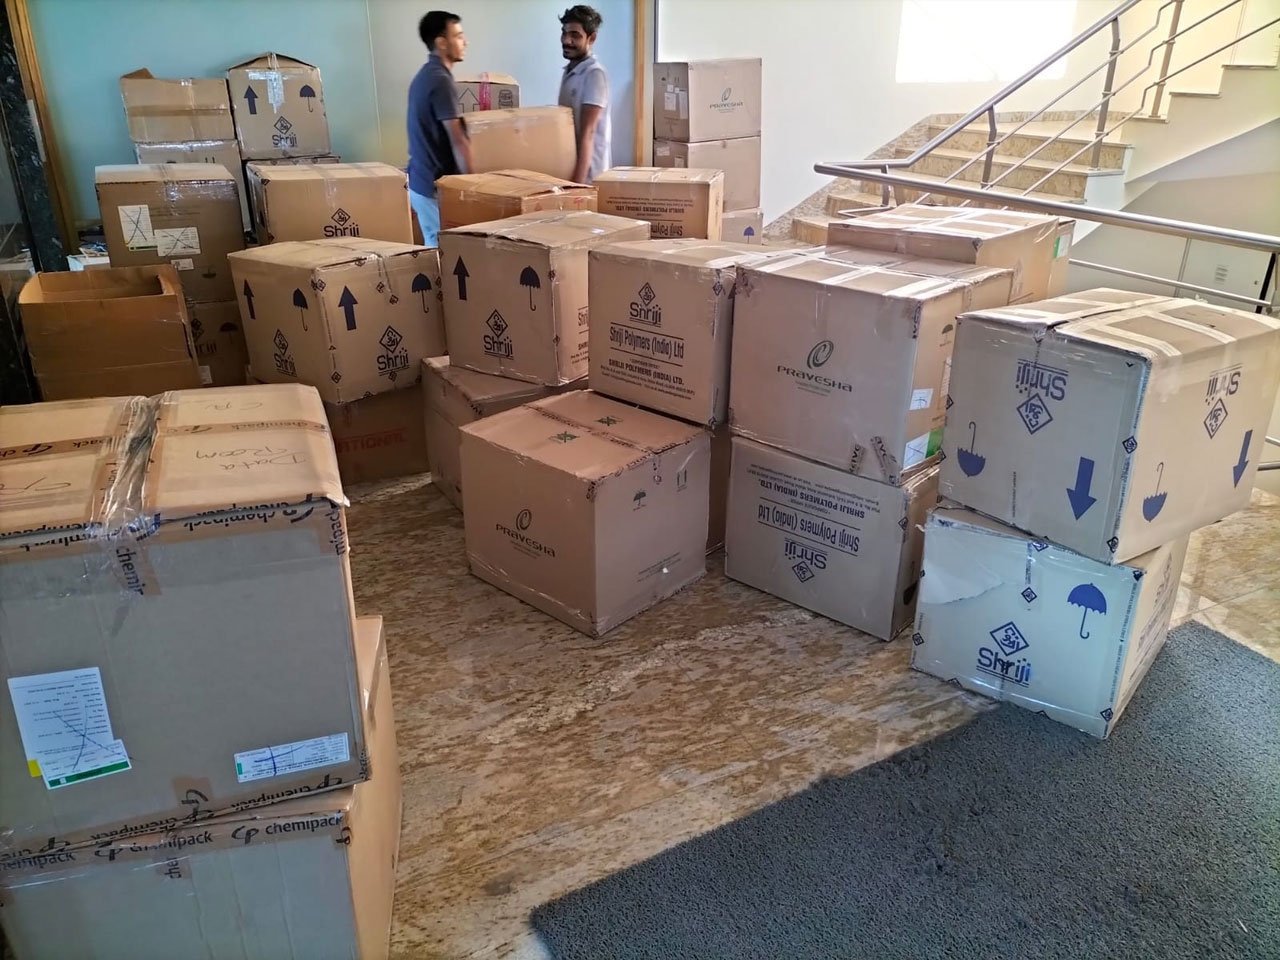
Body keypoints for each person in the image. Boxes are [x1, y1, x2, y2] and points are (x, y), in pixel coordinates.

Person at [407, 11, 472, 246]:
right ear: (442, 42)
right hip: (431, 187)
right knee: (443, 252)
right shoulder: (441, 80)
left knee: (437, 249)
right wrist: (473, 188)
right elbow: (458, 140)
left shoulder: (426, 75)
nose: (465, 42)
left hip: (421, 181)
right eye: (459, 36)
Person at [558, 5, 611, 184]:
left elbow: (589, 132)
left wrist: (577, 185)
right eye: (564, 33)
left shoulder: (594, 74)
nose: (567, 40)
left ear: (591, 38)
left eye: (575, 35)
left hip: (588, 176)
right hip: (571, 169)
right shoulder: (569, 71)